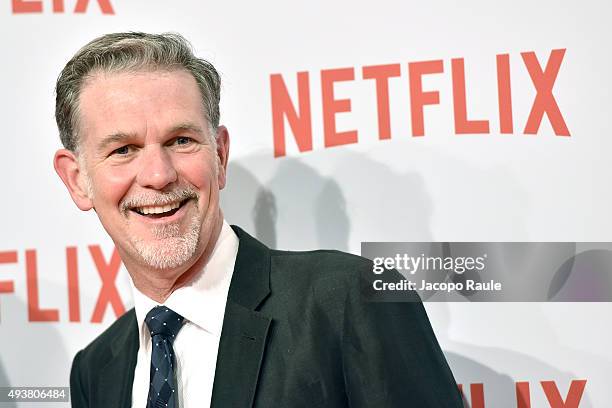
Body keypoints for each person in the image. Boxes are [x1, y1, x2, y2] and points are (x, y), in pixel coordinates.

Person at [54, 32, 463, 407]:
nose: (158, 175)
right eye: (123, 149)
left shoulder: (349, 301)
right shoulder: (95, 370)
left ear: (219, 155)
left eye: (181, 141)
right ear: (77, 180)